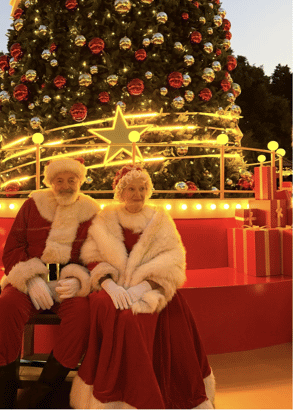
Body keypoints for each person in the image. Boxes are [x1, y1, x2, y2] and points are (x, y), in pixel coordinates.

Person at [70, 164, 214, 409]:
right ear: (120, 192)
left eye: (142, 188)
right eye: (131, 189)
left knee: (144, 317)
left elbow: (173, 258)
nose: (137, 194)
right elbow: (92, 255)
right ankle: (116, 396)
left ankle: (146, 393)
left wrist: (144, 287)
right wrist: (108, 284)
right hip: (113, 286)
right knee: (109, 309)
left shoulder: (159, 219)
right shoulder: (106, 217)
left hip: (152, 287)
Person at [0, 158, 99, 408]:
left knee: (82, 316)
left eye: (71, 180)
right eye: (59, 180)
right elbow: (13, 248)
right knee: (5, 308)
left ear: (80, 181)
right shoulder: (33, 205)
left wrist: (80, 280)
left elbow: (96, 254)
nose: (65, 186)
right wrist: (29, 279)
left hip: (68, 283)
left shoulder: (91, 210)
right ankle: (5, 398)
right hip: (30, 280)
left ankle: (41, 395)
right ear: (50, 182)